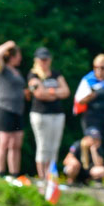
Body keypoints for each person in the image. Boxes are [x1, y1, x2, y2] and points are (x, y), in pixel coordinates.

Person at [73, 53, 104, 185]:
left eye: (103, 67)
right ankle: (92, 178)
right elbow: (79, 101)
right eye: (97, 67)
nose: (99, 70)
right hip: (92, 118)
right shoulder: (87, 80)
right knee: (93, 146)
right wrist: (94, 94)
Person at [27, 46, 69, 183]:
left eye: (46, 59)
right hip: (41, 114)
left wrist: (49, 92)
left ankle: (51, 177)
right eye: (42, 59)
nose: (44, 62)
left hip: (57, 115)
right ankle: (42, 176)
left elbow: (66, 91)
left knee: (54, 147)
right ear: (37, 60)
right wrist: (56, 93)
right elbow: (39, 94)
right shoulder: (33, 75)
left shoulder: (56, 74)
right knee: (43, 146)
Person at [0, 40, 27, 181]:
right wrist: (9, 44)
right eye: (18, 55)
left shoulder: (16, 72)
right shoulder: (2, 69)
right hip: (4, 109)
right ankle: (0, 174)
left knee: (16, 143)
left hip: (18, 110)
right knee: (4, 142)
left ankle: (14, 175)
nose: (20, 58)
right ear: (12, 56)